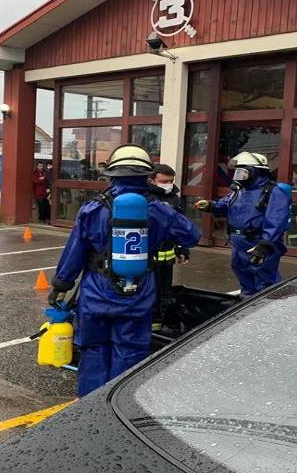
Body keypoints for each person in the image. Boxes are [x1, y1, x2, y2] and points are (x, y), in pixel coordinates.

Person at [49, 145, 201, 397]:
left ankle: (90, 403)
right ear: (147, 176)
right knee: (130, 350)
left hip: (96, 292)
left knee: (94, 349)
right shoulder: (159, 209)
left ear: (111, 176)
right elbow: (193, 235)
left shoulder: (92, 209)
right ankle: (118, 408)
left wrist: (60, 285)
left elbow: (74, 251)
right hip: (138, 294)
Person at [195, 152, 291, 298]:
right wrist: (211, 205)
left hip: (258, 242)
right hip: (239, 242)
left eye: (243, 172)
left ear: (256, 171)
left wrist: (266, 244)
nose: (239, 176)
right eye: (237, 172)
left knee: (264, 280)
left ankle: (269, 311)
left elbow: (277, 219)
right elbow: (226, 204)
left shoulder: (274, 191)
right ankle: (246, 308)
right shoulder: (239, 191)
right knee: (242, 274)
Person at [146, 163, 189, 331]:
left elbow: (180, 226)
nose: (169, 184)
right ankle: (151, 329)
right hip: (150, 260)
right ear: (151, 180)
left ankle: (161, 327)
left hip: (167, 260)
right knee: (151, 297)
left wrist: (182, 249)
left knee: (165, 295)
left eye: (171, 181)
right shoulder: (145, 198)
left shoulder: (173, 198)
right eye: (164, 181)